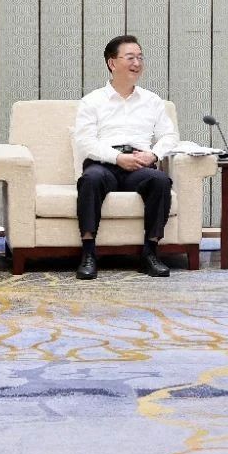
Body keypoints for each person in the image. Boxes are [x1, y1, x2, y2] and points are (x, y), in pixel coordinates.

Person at [72, 35, 179, 280]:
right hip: (103, 163)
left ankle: (150, 253)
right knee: (90, 180)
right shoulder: (92, 101)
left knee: (160, 181)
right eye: (130, 57)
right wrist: (117, 158)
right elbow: (85, 142)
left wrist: (153, 154)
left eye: (140, 57)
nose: (137, 63)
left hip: (139, 165)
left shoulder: (152, 101)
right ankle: (88, 253)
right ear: (112, 63)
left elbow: (169, 136)